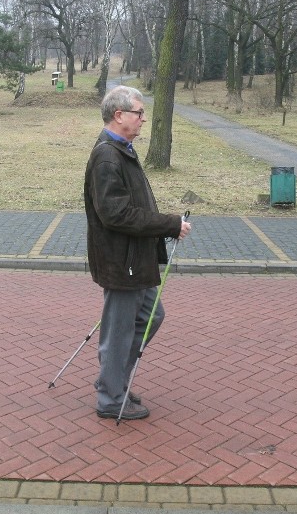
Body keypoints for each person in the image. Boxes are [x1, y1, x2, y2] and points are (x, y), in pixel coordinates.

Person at [84, 86, 191, 420]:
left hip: (135, 259)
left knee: (150, 317)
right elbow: (115, 214)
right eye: (139, 113)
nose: (144, 119)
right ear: (120, 116)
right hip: (122, 262)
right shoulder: (107, 155)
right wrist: (168, 224)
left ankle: (111, 380)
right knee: (119, 332)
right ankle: (111, 398)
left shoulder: (122, 149)